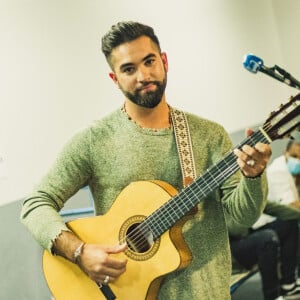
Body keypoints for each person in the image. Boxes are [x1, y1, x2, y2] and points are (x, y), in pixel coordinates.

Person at [20, 21, 272, 299]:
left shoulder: (208, 135)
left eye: (149, 61)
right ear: (115, 79)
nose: (143, 75)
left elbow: (243, 217)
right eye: (129, 69)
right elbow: (35, 204)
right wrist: (79, 252)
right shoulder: (94, 140)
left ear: (163, 61)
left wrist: (253, 176)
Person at [227, 200, 300, 300]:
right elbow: (235, 230)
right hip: (229, 249)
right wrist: (246, 207)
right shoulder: (217, 197)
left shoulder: (238, 189)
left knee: (288, 223)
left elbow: (270, 206)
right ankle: (273, 296)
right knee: (267, 238)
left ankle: (289, 285)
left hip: (245, 234)